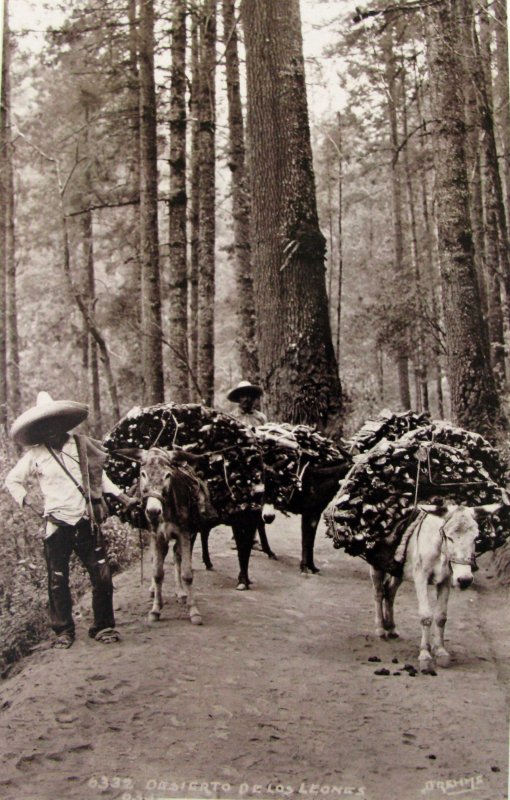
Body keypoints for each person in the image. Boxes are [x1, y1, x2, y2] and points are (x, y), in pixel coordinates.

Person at [4, 392, 137, 650]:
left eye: (53, 424)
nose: (50, 431)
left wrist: (123, 497)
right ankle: (63, 630)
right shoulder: (36, 454)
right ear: (39, 429)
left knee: (102, 576)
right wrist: (28, 502)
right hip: (56, 525)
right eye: (44, 426)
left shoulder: (80, 445)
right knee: (57, 579)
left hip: (84, 521)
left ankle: (103, 625)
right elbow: (12, 480)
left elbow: (99, 478)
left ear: (61, 423)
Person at [226, 380, 274, 555]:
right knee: (236, 497)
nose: (247, 400)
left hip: (257, 462)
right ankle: (236, 535)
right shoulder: (232, 417)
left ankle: (254, 538)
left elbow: (267, 437)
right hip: (237, 463)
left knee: (257, 498)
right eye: (243, 396)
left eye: (250, 396)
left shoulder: (260, 417)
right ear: (239, 399)